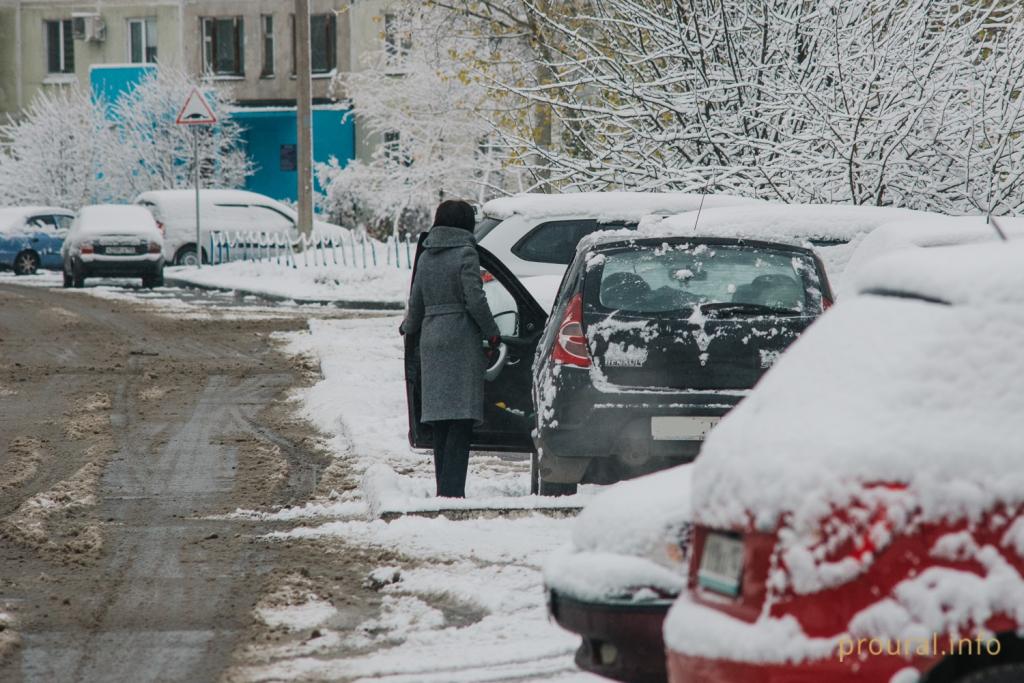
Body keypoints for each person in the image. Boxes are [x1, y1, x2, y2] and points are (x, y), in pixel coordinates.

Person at [400, 200, 500, 498]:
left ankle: (444, 485)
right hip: (460, 339)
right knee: (461, 420)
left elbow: (415, 306)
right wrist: (493, 333)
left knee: (441, 420)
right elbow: (475, 299)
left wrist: (408, 329)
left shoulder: (427, 256)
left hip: (431, 340)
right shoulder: (466, 253)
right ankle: (453, 490)